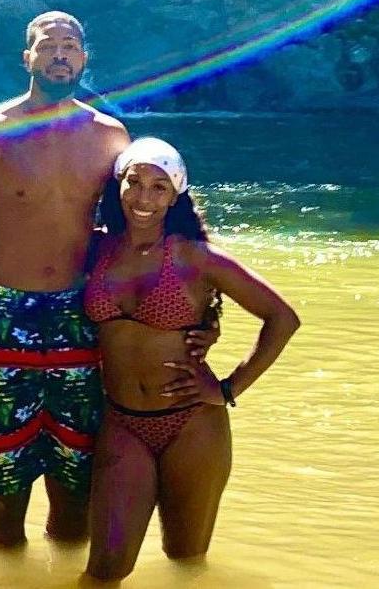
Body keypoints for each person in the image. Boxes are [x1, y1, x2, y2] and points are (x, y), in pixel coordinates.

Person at [0, 13, 212, 547]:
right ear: (28, 58)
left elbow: (142, 228)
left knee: (75, 482)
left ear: (84, 59)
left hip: (80, 322)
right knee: (4, 482)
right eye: (47, 45)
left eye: (71, 46)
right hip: (0, 320)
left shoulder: (111, 137)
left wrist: (196, 318)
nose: (60, 54)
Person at [81, 136, 300, 582]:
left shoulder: (196, 258)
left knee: (185, 564)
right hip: (123, 422)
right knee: (106, 570)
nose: (144, 197)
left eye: (159, 187)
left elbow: (282, 318)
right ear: (118, 185)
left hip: (193, 424)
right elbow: (30, 259)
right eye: (134, 182)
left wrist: (226, 390)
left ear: (176, 194)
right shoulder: (94, 249)